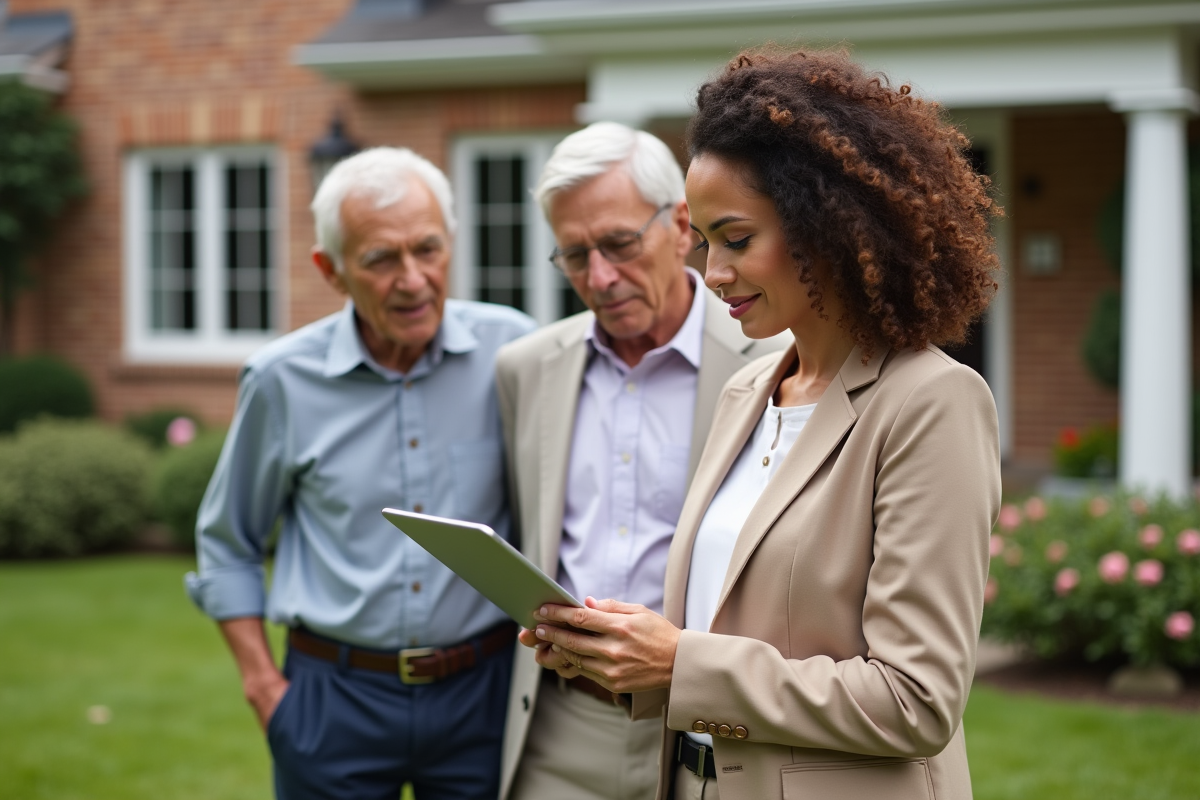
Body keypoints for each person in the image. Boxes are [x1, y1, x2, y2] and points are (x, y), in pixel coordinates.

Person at [525, 48, 1002, 800]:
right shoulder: (749, 391)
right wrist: (617, 655)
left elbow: (915, 701)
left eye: (736, 239)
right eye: (707, 242)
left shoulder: (929, 403)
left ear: (830, 227)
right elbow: (733, 638)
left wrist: (678, 662)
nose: (713, 272)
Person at [185, 147, 536, 800]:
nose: (413, 279)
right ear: (333, 270)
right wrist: (264, 687)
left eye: (428, 249)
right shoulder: (281, 380)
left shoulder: (513, 351)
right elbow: (226, 542)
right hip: (332, 698)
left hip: (482, 695)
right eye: (380, 259)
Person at [494, 122, 787, 800]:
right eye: (573, 255)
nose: (600, 277)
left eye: (620, 244)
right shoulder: (525, 369)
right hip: (561, 729)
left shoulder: (778, 363)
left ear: (682, 225)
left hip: (709, 731)